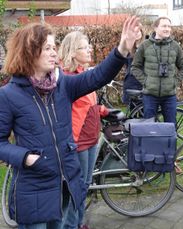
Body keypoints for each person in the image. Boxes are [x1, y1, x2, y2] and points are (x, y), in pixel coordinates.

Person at [0, 16, 140, 229]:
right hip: (34, 187)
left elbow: (98, 77)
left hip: (65, 181)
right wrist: (25, 157)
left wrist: (122, 49)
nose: (54, 52)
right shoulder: (9, 95)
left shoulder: (62, 84)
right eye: (47, 48)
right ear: (28, 52)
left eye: (54, 47)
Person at [58, 31, 110, 229]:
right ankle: (69, 225)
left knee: (84, 185)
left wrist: (103, 110)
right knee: (75, 188)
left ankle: (79, 222)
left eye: (88, 45)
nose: (89, 49)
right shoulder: (67, 78)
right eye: (83, 46)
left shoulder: (83, 74)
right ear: (72, 52)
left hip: (91, 139)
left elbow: (87, 106)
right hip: (77, 142)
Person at [131, 16, 183, 124]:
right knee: (149, 127)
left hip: (169, 96)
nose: (167, 29)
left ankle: (170, 142)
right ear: (156, 28)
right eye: (164, 26)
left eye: (169, 26)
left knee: (171, 127)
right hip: (150, 95)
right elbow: (135, 67)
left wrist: (174, 82)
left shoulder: (175, 46)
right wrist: (146, 81)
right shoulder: (145, 45)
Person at [122, 28, 144, 107]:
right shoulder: (129, 48)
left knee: (143, 110)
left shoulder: (147, 46)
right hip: (130, 82)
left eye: (139, 31)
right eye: (134, 32)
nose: (137, 33)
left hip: (142, 82)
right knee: (132, 110)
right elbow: (126, 64)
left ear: (142, 33)